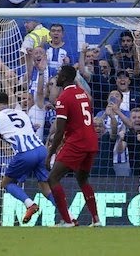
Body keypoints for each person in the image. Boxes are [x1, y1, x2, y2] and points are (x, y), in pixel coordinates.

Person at [0, 92, 56, 224]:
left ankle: (30, 204)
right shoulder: (22, 113)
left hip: (24, 154)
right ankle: (68, 216)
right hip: (41, 150)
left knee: (7, 183)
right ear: (7, 102)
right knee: (45, 187)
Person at [46, 65, 101, 227]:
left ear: (64, 78)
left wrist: (50, 153)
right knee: (82, 179)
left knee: (53, 178)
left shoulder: (64, 97)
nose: (57, 77)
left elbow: (60, 129)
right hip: (91, 141)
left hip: (77, 143)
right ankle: (96, 219)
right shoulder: (82, 93)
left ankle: (67, 221)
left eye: (59, 75)